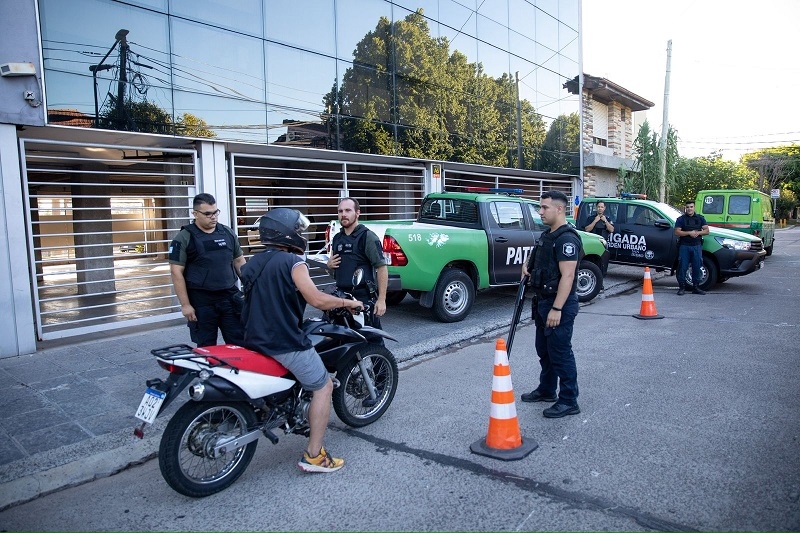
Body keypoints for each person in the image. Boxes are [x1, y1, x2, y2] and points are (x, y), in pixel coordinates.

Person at [241, 208, 363, 473]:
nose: (302, 235)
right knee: (323, 386)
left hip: (253, 339)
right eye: (298, 230)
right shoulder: (293, 263)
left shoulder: (252, 263)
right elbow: (316, 299)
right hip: (283, 341)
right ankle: (314, 455)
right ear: (286, 233)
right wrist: (347, 303)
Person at [520, 190, 582, 418]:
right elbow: (537, 257)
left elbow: (568, 276)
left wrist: (557, 308)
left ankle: (569, 400)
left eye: (545, 207)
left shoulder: (566, 239)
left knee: (560, 353)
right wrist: (527, 265)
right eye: (540, 207)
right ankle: (547, 390)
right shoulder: (548, 235)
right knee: (544, 351)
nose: (540, 212)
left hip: (558, 304)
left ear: (560, 209)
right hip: (543, 302)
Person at [169, 193, 245, 347]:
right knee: (206, 346)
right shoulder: (184, 237)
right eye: (208, 214)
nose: (213, 217)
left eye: (215, 212)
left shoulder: (227, 233)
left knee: (239, 343)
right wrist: (185, 305)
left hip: (229, 297)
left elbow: (239, 261)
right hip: (201, 301)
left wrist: (251, 288)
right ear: (195, 214)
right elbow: (176, 272)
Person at [326, 197, 387, 331]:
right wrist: (329, 266)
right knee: (342, 338)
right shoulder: (337, 238)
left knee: (372, 339)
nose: (343, 214)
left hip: (362, 299)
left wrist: (381, 300)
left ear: (357, 213)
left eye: (348, 210)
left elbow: (382, 267)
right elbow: (334, 270)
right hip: (341, 298)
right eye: (340, 211)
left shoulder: (367, 236)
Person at [674, 200, 709, 296]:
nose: (689, 209)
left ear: (694, 207)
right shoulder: (681, 219)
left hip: (696, 246)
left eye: (691, 207)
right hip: (684, 246)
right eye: (688, 207)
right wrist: (689, 233)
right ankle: (682, 288)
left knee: (697, 266)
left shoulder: (700, 218)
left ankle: (696, 287)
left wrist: (698, 233)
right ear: (685, 208)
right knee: (683, 267)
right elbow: (676, 232)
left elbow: (706, 231)